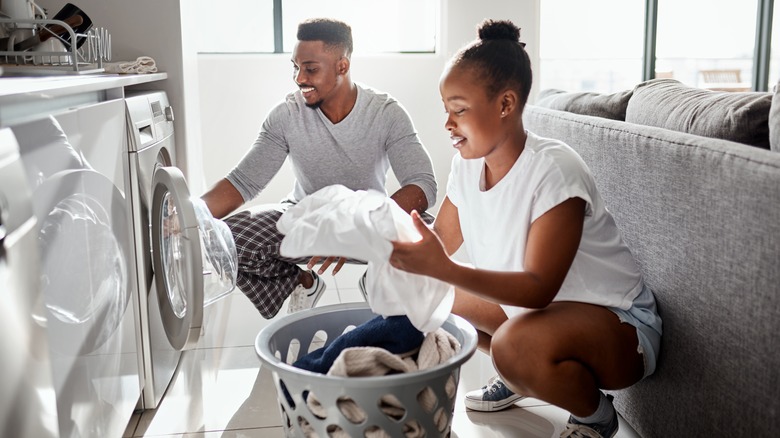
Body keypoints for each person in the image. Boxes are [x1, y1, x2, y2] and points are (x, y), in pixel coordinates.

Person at [388, 19, 662, 438]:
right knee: (431, 295)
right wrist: (375, 240)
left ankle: (595, 417)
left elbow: (538, 288)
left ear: (505, 104)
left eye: (459, 110)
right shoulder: (467, 166)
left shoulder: (554, 170)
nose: (447, 123)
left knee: (511, 344)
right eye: (446, 110)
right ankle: (520, 375)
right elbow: (440, 239)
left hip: (620, 328)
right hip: (540, 318)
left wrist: (443, 269)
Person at [201, 18, 437, 319]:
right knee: (224, 238)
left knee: (430, 233)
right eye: (295, 67)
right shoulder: (286, 115)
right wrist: (191, 214)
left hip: (367, 223)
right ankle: (302, 283)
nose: (299, 78)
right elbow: (243, 183)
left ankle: (379, 279)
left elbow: (422, 185)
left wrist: (355, 225)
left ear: (342, 66)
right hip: (306, 218)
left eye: (310, 68)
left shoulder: (386, 113)